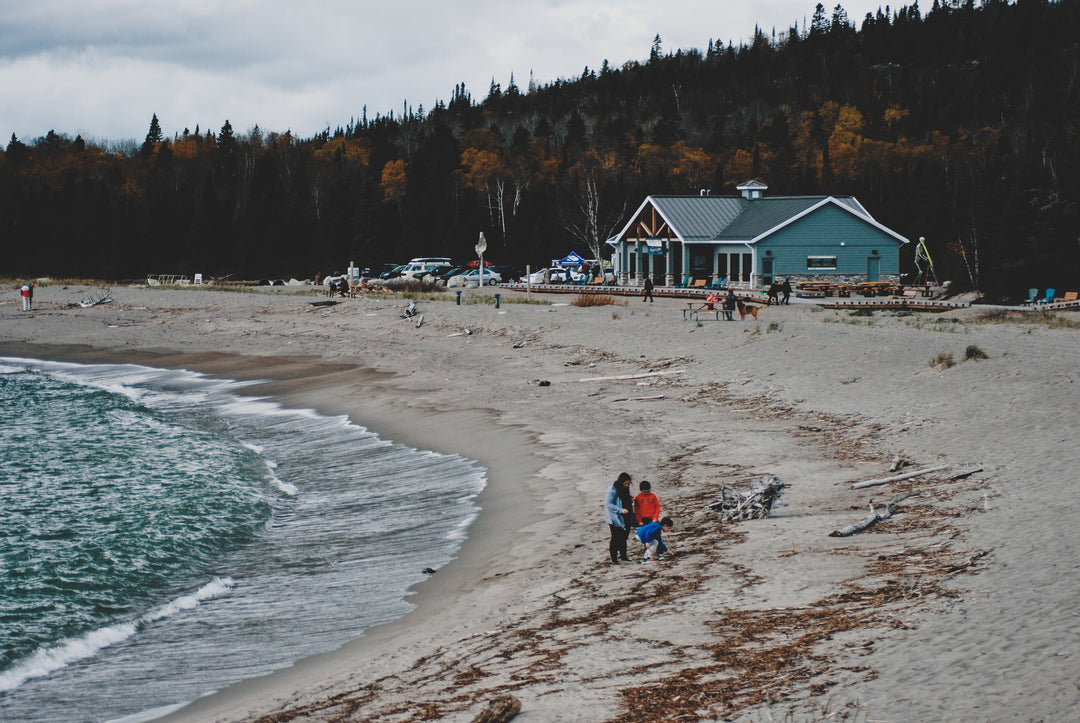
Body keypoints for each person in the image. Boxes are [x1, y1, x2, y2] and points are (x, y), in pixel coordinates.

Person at [605, 472, 634, 564]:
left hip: (626, 514)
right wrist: (620, 510)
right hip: (615, 517)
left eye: (628, 484)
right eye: (626, 483)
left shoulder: (625, 488)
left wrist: (630, 499)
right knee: (616, 538)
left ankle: (624, 556)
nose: (627, 485)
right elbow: (608, 504)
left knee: (624, 536)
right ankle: (614, 559)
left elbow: (624, 498)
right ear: (621, 482)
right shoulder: (612, 490)